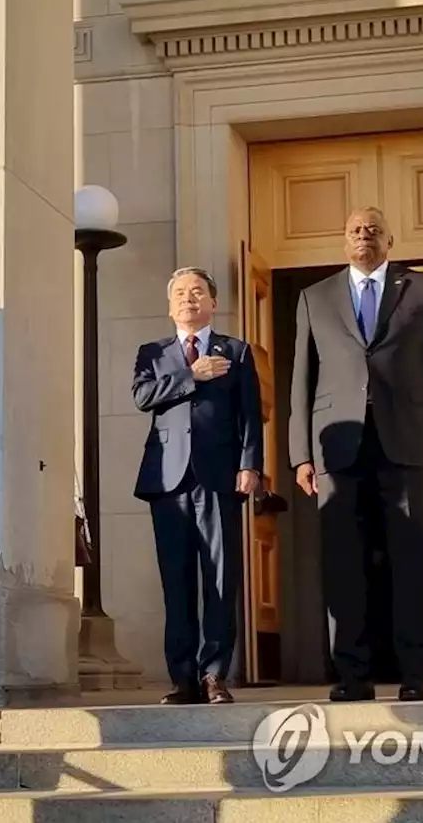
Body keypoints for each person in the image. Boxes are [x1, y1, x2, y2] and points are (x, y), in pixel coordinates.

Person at [288, 206, 423, 703]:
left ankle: (416, 673)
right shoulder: (314, 297)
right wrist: (302, 454)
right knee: (345, 565)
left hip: (410, 445)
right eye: (354, 230)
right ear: (344, 242)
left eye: (373, 230)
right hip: (338, 449)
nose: (363, 236)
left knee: (415, 562)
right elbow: (301, 380)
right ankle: (352, 676)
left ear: (390, 242)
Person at [132, 267, 263, 705]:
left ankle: (214, 675)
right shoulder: (152, 352)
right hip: (168, 481)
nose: (190, 299)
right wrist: (194, 375)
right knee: (177, 581)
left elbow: (249, 414)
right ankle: (183, 678)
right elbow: (143, 396)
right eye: (181, 294)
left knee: (221, 580)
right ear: (170, 305)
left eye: (198, 293)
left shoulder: (238, 352)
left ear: (213, 302)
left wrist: (250, 465)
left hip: (219, 477)